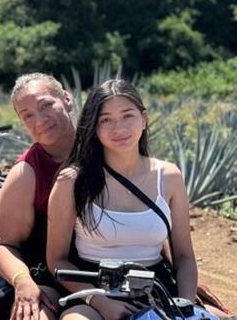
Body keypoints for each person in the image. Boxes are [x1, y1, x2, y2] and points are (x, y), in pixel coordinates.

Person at [47, 79, 199, 320]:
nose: (119, 128)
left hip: (156, 290)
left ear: (143, 119)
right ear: (94, 127)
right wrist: (100, 302)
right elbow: (57, 260)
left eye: (128, 115)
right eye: (105, 120)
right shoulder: (71, 180)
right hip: (94, 291)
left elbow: (184, 258)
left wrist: (186, 307)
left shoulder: (169, 176)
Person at [0, 73, 76, 320]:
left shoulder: (107, 150)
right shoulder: (25, 173)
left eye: (46, 105)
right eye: (28, 115)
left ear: (67, 99)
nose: (40, 120)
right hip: (47, 276)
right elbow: (2, 243)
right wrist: (22, 280)